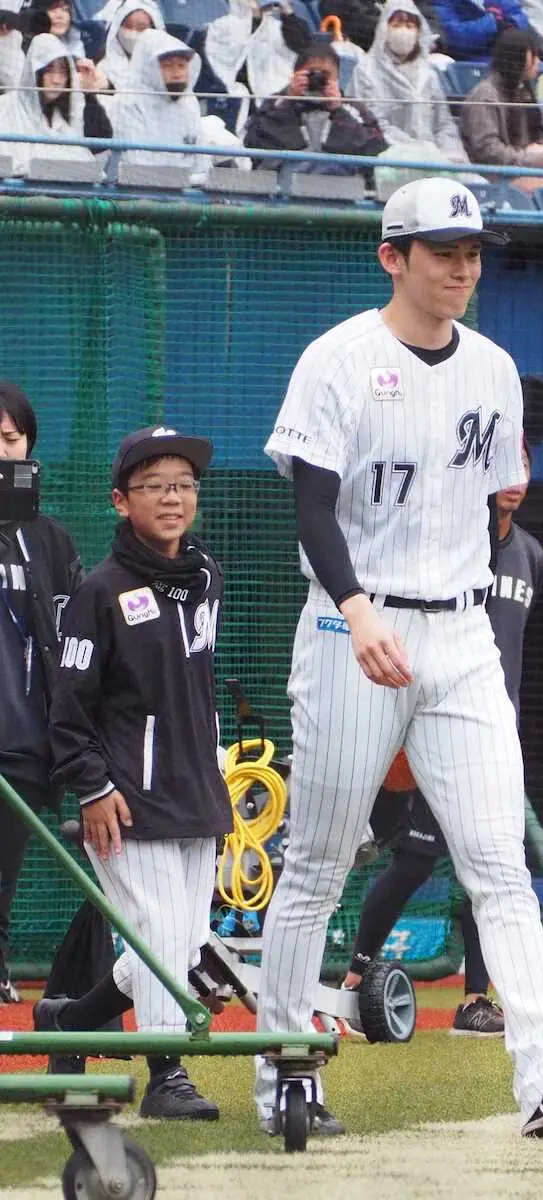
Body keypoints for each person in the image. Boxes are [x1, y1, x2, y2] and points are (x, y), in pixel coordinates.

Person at [257, 175, 543, 1140]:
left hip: (457, 629)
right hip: (348, 625)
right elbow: (310, 508)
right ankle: (288, 1072)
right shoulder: (338, 358)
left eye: (472, 252)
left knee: (499, 862)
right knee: (320, 863)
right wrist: (358, 607)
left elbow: (497, 505)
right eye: (442, 250)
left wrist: (463, 602)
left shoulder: (493, 368)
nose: (462, 266)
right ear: (392, 257)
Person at [36, 425, 232, 1119]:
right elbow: (69, 704)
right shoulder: (101, 591)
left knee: (178, 943)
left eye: (183, 484)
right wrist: (92, 785)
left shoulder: (206, 576)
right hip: (125, 800)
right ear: (122, 501)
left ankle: (70, 1019)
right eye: (155, 486)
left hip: (197, 797)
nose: (173, 498)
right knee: (153, 936)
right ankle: (168, 1075)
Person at [342, 444, 543, 1038]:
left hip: (490, 733)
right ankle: (353, 984)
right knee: (411, 860)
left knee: (496, 861)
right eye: (502, 465)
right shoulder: (448, 549)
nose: (513, 478)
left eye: (523, 466)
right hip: (422, 724)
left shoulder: (532, 554)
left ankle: (476, 1001)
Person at [0, 383, 81, 1005]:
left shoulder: (48, 538)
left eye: (10, 439)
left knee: (4, 874)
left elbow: (70, 636)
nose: (2, 452)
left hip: (26, 743)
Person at [244, 36, 387, 174]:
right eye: (311, 74)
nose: (317, 80)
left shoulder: (353, 107)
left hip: (339, 184)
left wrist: (338, 111)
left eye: (325, 75)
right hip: (283, 180)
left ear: (337, 77)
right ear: (296, 75)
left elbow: (375, 148)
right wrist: (288, 102)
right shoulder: (277, 103)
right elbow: (254, 141)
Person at [349, 0, 467, 166]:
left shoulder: (428, 73)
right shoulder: (365, 71)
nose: (403, 31)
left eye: (410, 25)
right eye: (397, 25)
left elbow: (443, 124)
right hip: (388, 160)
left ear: (419, 32)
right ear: (384, 29)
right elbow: (374, 125)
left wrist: (450, 154)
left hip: (434, 160)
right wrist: (419, 151)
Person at [460, 26, 543, 187]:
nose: (538, 62)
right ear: (516, 59)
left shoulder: (525, 89)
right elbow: (488, 151)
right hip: (496, 176)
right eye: (534, 55)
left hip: (529, 168)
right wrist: (531, 159)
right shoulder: (484, 97)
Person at [0, 32, 111, 175]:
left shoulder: (66, 112)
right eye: (49, 70)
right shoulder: (5, 108)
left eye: (63, 71)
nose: (57, 80)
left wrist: (89, 95)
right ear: (35, 72)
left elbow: (99, 144)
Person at [111, 31, 203, 171]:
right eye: (167, 66)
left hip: (185, 185)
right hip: (139, 187)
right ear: (149, 68)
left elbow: (198, 156)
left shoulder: (189, 101)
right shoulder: (128, 101)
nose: (177, 74)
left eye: (181, 66)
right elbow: (136, 162)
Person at [97, 0, 164, 93]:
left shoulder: (168, 69)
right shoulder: (102, 72)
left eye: (142, 28)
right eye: (128, 26)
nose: (133, 33)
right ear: (116, 29)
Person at [433, 0, 531, 63]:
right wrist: (494, 24)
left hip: (508, 56)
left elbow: (520, 17)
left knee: (541, 73)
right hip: (473, 63)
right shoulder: (443, 2)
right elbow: (456, 38)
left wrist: (510, 23)